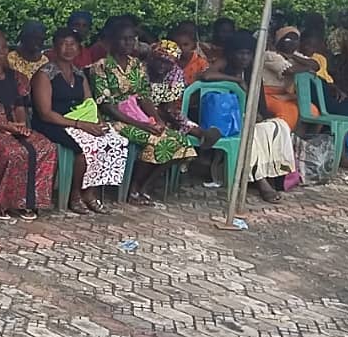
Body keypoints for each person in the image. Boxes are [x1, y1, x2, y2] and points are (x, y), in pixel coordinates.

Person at [90, 24, 196, 205]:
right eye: (124, 38)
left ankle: (144, 187)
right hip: (115, 120)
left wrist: (157, 119)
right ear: (113, 41)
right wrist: (142, 125)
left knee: (180, 141)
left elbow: (144, 97)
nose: (128, 43)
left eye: (132, 39)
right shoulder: (101, 67)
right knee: (156, 141)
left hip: (138, 115)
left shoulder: (136, 65)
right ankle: (133, 189)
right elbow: (107, 106)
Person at [0, 29, 56, 221]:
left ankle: (28, 202)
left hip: (12, 125)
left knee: (46, 147)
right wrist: (4, 127)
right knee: (12, 152)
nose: (2, 51)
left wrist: (19, 125)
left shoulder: (16, 77)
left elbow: (20, 106)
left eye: (4, 47)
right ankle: (1, 203)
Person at [32, 28, 128, 214]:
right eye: (63, 44)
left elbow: (88, 102)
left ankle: (89, 192)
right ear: (54, 47)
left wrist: (97, 122)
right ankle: (74, 193)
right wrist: (81, 125)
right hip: (52, 122)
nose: (68, 49)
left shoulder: (78, 73)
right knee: (85, 147)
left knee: (112, 140)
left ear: (79, 48)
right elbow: (45, 113)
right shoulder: (45, 74)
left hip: (78, 119)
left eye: (72, 44)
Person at [204, 32, 296, 203]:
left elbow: (259, 101)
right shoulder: (225, 63)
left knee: (278, 126)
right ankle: (261, 182)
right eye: (240, 53)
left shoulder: (253, 71)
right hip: (227, 119)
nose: (244, 57)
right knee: (251, 134)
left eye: (248, 53)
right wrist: (235, 80)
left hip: (248, 116)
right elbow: (207, 75)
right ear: (232, 53)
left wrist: (259, 115)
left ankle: (273, 173)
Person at [145, 40, 221, 148]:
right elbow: (141, 98)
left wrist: (168, 116)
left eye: (167, 63)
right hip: (142, 108)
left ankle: (202, 134)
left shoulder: (176, 73)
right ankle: (201, 134)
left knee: (174, 116)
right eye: (160, 61)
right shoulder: (142, 70)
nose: (162, 65)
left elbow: (169, 104)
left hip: (164, 109)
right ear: (153, 59)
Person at [262, 26, 319, 130]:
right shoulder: (270, 55)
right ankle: (283, 140)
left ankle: (304, 140)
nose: (293, 42)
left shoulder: (295, 55)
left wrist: (292, 56)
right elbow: (289, 70)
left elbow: (316, 65)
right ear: (279, 41)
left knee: (312, 111)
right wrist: (306, 68)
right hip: (267, 94)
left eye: (296, 39)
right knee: (288, 112)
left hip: (286, 94)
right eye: (288, 39)